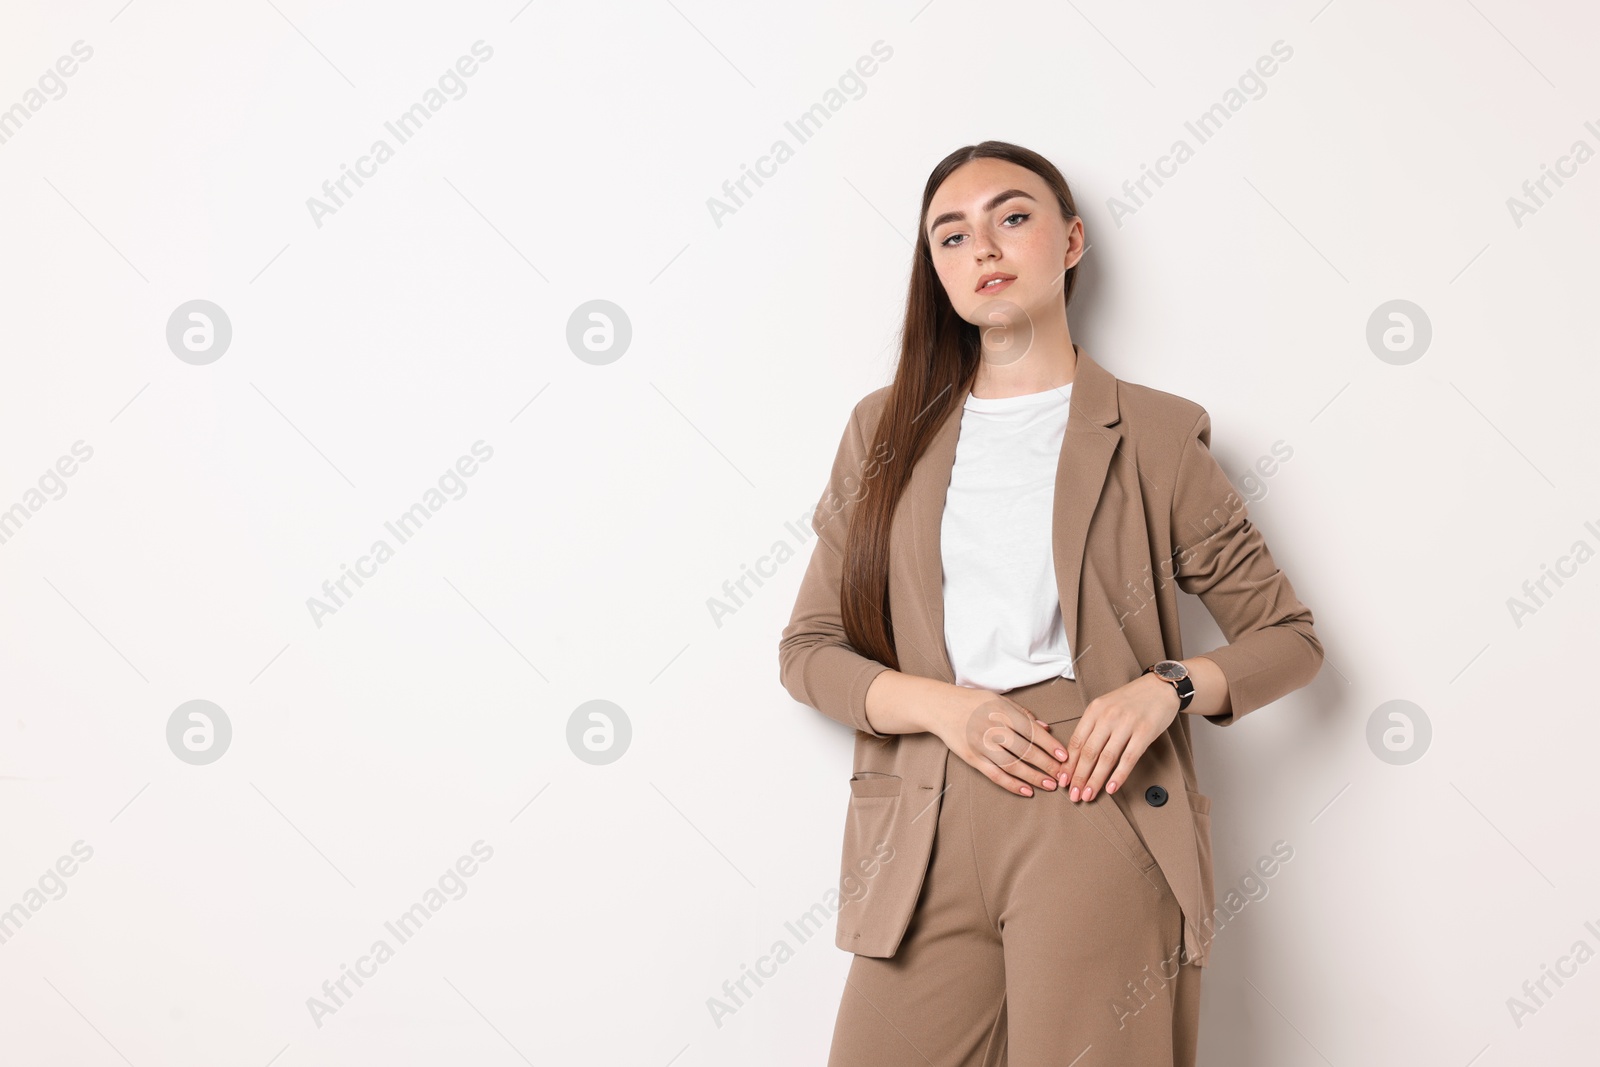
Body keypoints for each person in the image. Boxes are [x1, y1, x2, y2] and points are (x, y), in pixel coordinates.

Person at [777, 140, 1324, 1067]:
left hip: (1092, 806)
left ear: (1070, 241)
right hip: (924, 813)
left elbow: (1290, 639)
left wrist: (1170, 687)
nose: (982, 248)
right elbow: (811, 650)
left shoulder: (1152, 432)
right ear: (935, 269)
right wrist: (947, 709)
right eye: (950, 236)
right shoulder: (885, 429)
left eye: (1011, 217)